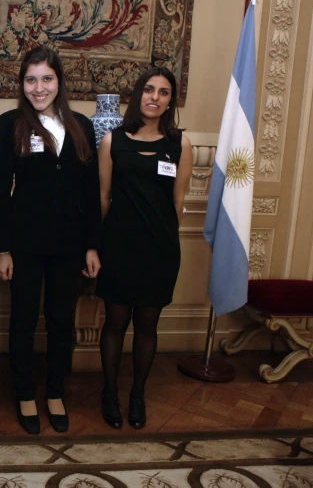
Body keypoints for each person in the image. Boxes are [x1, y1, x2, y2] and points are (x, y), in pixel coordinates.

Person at [0, 46, 101, 434]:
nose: (39, 88)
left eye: (47, 79)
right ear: (22, 84)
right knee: (23, 321)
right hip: (24, 243)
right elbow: (2, 189)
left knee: (60, 322)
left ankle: (54, 392)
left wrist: (92, 245)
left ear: (59, 81)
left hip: (70, 245)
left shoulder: (81, 125)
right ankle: (24, 393)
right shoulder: (10, 124)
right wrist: (2, 248)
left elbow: (91, 191)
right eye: (31, 80)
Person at [96, 67, 193, 430]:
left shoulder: (179, 144)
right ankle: (109, 392)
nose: (155, 97)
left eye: (164, 92)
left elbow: (178, 203)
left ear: (171, 101)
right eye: (149, 90)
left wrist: (164, 240)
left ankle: (137, 394)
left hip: (159, 251)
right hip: (119, 248)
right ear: (138, 95)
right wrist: (97, 247)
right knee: (116, 322)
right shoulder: (113, 141)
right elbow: (104, 197)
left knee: (148, 324)